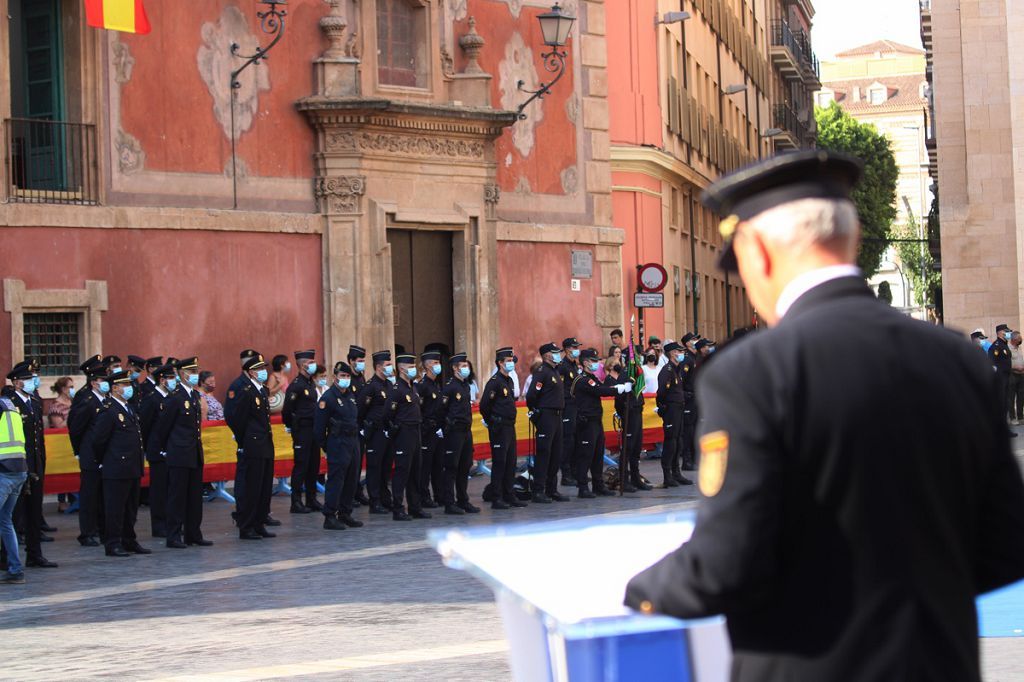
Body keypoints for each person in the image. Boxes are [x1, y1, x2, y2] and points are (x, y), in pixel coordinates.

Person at [624, 150, 1024, 681]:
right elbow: (1005, 544)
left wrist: (638, 592)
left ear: (760, 252)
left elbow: (729, 563)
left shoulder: (752, 373)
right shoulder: (954, 358)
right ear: (852, 241)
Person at [90, 371, 150, 557]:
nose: (129, 388)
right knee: (115, 508)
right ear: (115, 388)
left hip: (132, 466)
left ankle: (129, 539)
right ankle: (113, 543)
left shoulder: (128, 407)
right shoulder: (108, 410)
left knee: (131, 508)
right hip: (116, 466)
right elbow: (98, 441)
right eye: (124, 385)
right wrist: (106, 461)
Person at [153, 358, 210, 548]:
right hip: (178, 453)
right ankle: (174, 535)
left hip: (193, 452)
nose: (194, 375)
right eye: (191, 372)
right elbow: (163, 427)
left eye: (196, 371)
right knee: (177, 496)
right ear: (182, 374)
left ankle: (194, 533)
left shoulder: (193, 395)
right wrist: (167, 449)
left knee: (194, 496)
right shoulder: (175, 397)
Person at [5, 363, 56, 568]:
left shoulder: (34, 402)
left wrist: (41, 462)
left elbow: (38, 438)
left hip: (34, 465)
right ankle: (9, 557)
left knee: (35, 510)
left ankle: (35, 554)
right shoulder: (9, 403)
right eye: (27, 379)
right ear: (17, 382)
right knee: (15, 513)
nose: (32, 382)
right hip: (16, 465)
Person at [226, 353, 277, 540]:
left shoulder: (261, 390)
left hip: (265, 443)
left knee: (264, 486)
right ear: (251, 372)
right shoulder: (245, 390)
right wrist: (245, 438)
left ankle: (259, 522)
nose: (264, 372)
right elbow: (235, 417)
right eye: (260, 369)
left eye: (264, 368)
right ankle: (246, 525)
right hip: (252, 443)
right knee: (252, 487)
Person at [570, 349, 630, 498]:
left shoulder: (592, 377)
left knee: (597, 454)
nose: (597, 363)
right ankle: (583, 487)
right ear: (585, 363)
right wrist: (619, 389)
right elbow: (599, 391)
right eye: (594, 361)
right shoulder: (583, 379)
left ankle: (598, 485)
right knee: (585, 455)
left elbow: (600, 388)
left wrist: (617, 388)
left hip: (595, 421)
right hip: (586, 422)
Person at [314, 362, 364, 530]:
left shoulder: (350, 395)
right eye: (343, 376)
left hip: (353, 442)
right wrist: (326, 446)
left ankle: (345, 513)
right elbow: (319, 427)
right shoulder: (328, 398)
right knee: (336, 480)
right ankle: (330, 516)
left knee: (351, 479)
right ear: (335, 377)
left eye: (348, 376)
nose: (346, 379)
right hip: (337, 442)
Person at [69, 357, 111, 546]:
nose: (107, 383)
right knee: (90, 495)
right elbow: (76, 427)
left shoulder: (107, 399)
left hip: (105, 453)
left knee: (103, 495)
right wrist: (79, 450)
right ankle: (87, 532)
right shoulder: (86, 399)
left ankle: (102, 530)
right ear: (94, 381)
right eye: (104, 380)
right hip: (90, 453)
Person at [479, 347, 525, 510]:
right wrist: (491, 420)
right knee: (499, 462)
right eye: (508, 361)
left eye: (512, 361)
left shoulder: (509, 381)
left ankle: (509, 494)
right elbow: (485, 405)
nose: (511, 363)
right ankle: (496, 497)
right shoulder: (494, 382)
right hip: (498, 426)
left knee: (511, 461)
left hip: (509, 425)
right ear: (500, 363)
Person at [525, 342, 570, 504]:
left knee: (556, 454)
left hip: (557, 416)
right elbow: (531, 395)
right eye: (555, 352)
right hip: (546, 415)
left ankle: (552, 489)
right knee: (544, 454)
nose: (558, 354)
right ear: (547, 355)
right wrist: (536, 411)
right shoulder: (542, 372)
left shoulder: (554, 371)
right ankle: (538, 490)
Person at [387, 354, 430, 521]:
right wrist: (395, 430)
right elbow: (387, 414)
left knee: (415, 472)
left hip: (415, 432)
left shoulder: (413, 388)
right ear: (401, 368)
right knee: (402, 472)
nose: (413, 368)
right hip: (403, 433)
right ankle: (398, 508)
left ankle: (415, 507)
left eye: (413, 364)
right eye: (409, 365)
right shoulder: (397, 389)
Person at [438, 352, 479, 515]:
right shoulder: (450, 386)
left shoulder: (465, 386)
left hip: (465, 431)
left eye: (466, 365)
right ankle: (449, 502)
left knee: (465, 466)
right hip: (454, 431)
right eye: (462, 366)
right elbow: (441, 409)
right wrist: (446, 426)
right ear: (455, 368)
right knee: (451, 467)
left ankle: (463, 500)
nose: (466, 368)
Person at [283, 350, 322, 514]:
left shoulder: (310, 383)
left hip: (313, 429)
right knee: (301, 466)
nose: (313, 364)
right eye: (310, 362)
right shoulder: (296, 385)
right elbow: (287, 410)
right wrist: (293, 427)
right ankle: (296, 501)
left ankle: (311, 499)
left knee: (313, 465)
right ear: (302, 365)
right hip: (302, 430)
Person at [608, 349, 651, 492]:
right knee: (627, 448)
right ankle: (624, 480)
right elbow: (618, 400)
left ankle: (635, 477)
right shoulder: (625, 375)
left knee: (637, 448)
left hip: (637, 412)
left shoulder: (637, 374)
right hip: (629, 414)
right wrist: (624, 414)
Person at [358, 350, 396, 514]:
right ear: (379, 367)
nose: (390, 367)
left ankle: (385, 498)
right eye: (388, 365)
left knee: (386, 467)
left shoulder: (388, 385)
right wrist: (364, 429)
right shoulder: (370, 386)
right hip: (375, 432)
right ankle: (375, 501)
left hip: (388, 431)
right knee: (374, 468)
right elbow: (361, 410)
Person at [140, 363, 175, 537]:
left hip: (171, 449)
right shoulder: (151, 398)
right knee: (159, 490)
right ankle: (159, 524)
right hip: (157, 450)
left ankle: (171, 521)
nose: (174, 381)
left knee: (171, 488)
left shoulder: (171, 397)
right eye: (171, 378)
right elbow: (145, 426)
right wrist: (149, 448)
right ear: (162, 380)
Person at [654, 342, 693, 487]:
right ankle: (667, 475)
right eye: (679, 351)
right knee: (671, 442)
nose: (681, 353)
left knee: (678, 441)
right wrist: (663, 407)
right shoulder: (667, 370)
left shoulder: (677, 370)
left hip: (679, 408)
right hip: (671, 410)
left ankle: (676, 473)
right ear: (671, 353)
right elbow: (662, 392)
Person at [0, 395, 29, 584]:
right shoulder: (9, 404)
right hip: (19, 470)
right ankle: (15, 570)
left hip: (3, 471)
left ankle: (16, 569)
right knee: (5, 521)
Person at [416, 350, 446, 507]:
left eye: (438, 362)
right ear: (427, 366)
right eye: (435, 363)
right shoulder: (422, 386)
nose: (438, 365)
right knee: (425, 466)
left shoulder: (436, 384)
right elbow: (420, 411)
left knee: (438, 465)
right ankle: (424, 496)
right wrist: (426, 427)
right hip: (427, 431)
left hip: (438, 431)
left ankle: (439, 495)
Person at [558, 337, 583, 487]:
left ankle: (575, 473)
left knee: (575, 441)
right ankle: (566, 475)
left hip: (576, 406)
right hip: (567, 407)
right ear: (567, 349)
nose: (576, 350)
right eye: (574, 348)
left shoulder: (575, 366)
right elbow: (561, 389)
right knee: (568, 442)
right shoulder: (563, 367)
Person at [990, 324, 1014, 419]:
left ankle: (1004, 425)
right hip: (1001, 378)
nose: (1009, 333)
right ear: (1000, 332)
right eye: (1006, 331)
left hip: (1007, 376)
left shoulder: (1004, 345)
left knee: (1006, 401)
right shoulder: (996, 346)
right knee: (1001, 401)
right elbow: (992, 362)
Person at [1010, 331, 1024, 424]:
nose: (1021, 340)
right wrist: (1016, 368)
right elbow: (1007, 364)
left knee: (1021, 396)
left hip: (1022, 375)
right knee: (1011, 397)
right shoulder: (1008, 349)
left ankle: (1020, 416)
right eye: (1019, 338)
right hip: (1013, 375)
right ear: (1014, 339)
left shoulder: (1020, 348)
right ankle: (1012, 417)